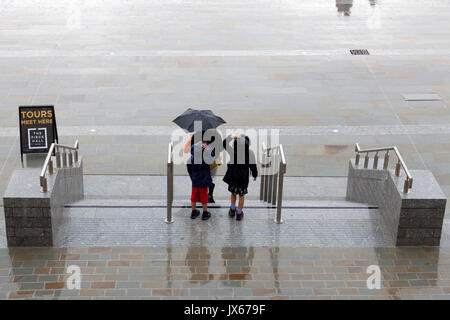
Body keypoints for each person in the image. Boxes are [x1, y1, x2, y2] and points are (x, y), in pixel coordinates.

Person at [222, 133, 258, 220]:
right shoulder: (250, 153)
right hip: (243, 178)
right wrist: (255, 175)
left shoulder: (233, 152)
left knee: (233, 193)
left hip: (233, 176)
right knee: (241, 195)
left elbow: (224, 143)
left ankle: (232, 209)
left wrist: (231, 137)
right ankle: (239, 213)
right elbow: (253, 166)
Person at [184, 129, 222, 203]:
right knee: (211, 179)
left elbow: (185, 150)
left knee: (197, 180)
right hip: (211, 164)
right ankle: (209, 196)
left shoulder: (195, 136)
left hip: (196, 165)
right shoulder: (216, 136)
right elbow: (218, 152)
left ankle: (198, 197)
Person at [187, 139, 215, 220]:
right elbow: (212, 158)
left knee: (194, 196)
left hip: (195, 180)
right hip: (203, 181)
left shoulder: (191, 159)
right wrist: (207, 149)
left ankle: (193, 212)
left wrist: (198, 145)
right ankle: (205, 213)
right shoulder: (205, 160)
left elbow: (189, 170)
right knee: (204, 196)